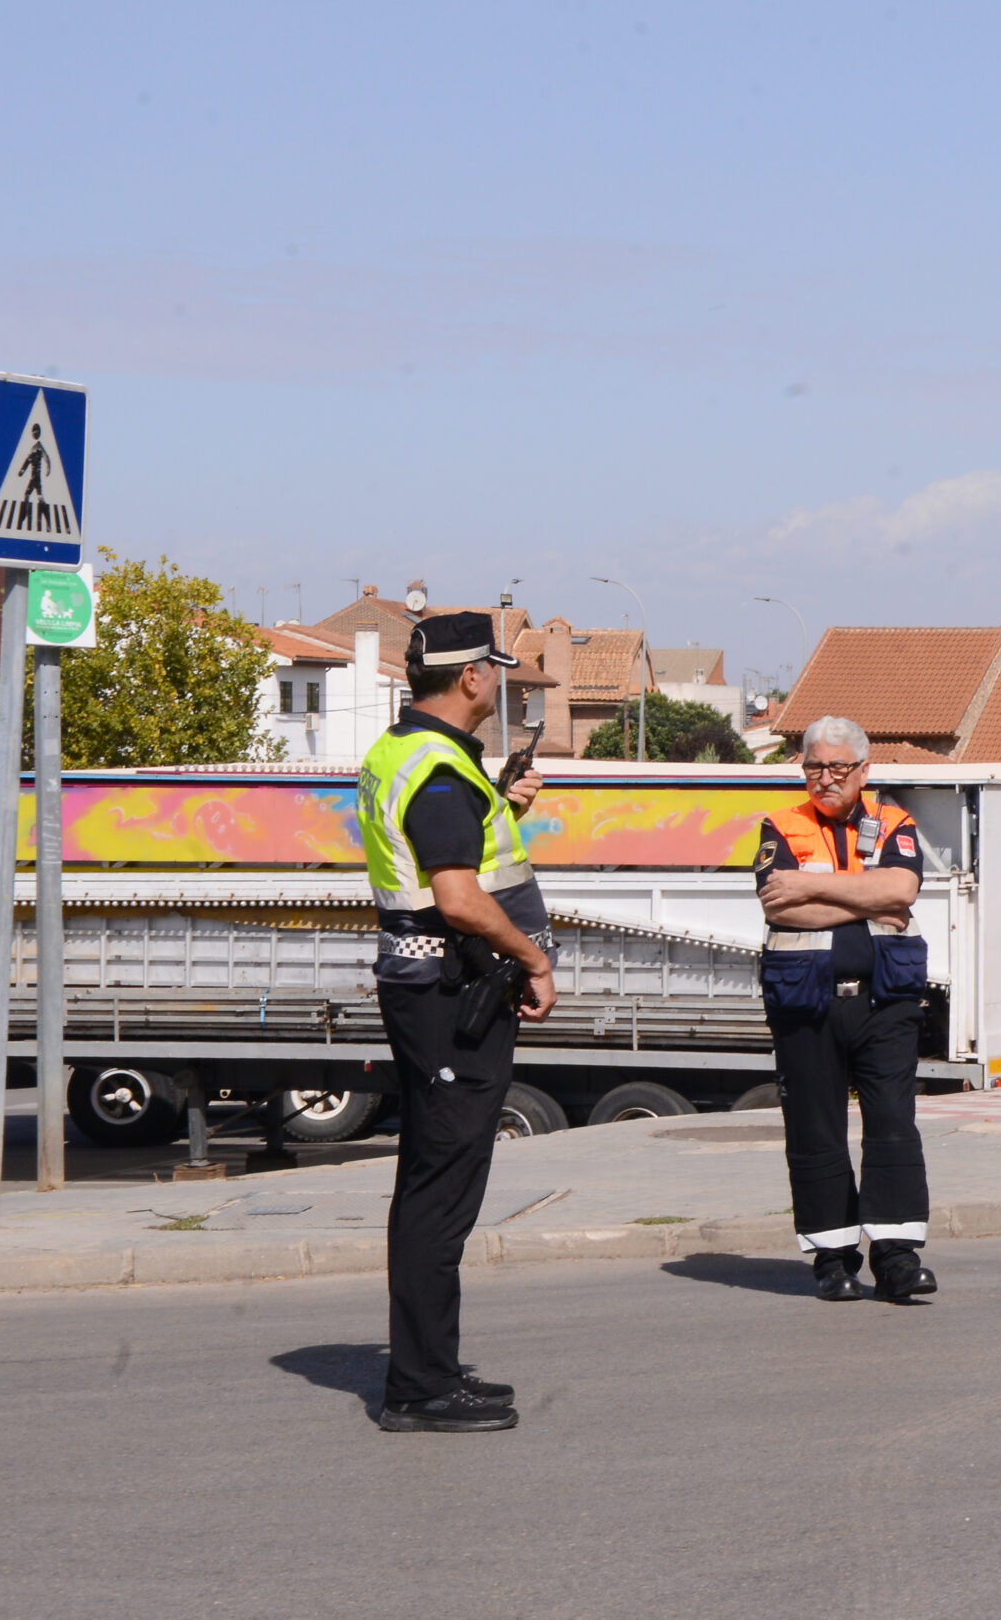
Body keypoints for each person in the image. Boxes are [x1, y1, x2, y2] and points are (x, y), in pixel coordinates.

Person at [359, 613, 555, 1432]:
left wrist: (500, 802)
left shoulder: (409, 752)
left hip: (430, 991)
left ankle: (428, 1368)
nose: (499, 681)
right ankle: (421, 1386)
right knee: (442, 1189)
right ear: (471, 675)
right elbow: (458, 898)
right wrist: (534, 959)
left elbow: (439, 853)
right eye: (494, 669)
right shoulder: (441, 772)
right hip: (449, 997)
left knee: (430, 1180)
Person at [754, 715, 938, 1303]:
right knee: (816, 1131)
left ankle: (897, 1258)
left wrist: (811, 885)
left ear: (863, 770)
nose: (825, 778)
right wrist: (864, 897)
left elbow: (901, 891)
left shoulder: (895, 823)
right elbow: (779, 907)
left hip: (885, 1002)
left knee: (892, 1125)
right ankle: (832, 1261)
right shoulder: (780, 826)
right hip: (806, 1004)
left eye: (837, 767)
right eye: (814, 766)